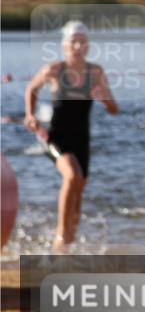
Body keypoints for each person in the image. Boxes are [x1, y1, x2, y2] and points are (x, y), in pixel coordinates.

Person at [24, 21, 118, 252]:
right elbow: (31, 89)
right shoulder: (54, 69)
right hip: (56, 137)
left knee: (78, 190)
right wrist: (30, 115)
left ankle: (69, 243)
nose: (78, 46)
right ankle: (60, 237)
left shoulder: (95, 72)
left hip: (81, 139)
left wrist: (102, 97)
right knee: (72, 175)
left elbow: (114, 109)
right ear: (65, 45)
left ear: (88, 45)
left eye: (82, 42)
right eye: (73, 42)